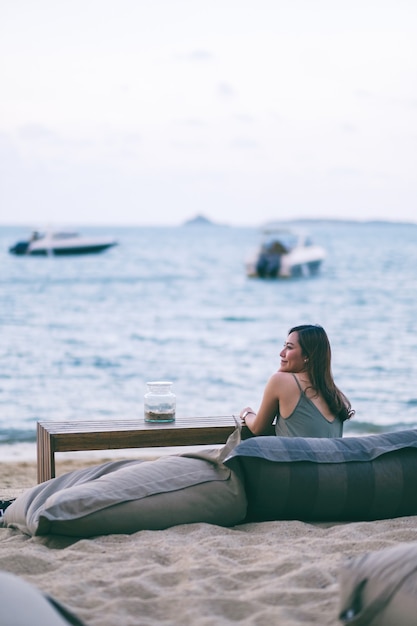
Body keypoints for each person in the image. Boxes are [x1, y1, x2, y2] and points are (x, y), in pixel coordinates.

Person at [240, 324, 354, 438]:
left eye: (289, 347)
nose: (281, 353)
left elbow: (257, 428)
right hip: (331, 456)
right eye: (284, 346)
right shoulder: (334, 394)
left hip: (295, 456)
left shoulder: (280, 381)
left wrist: (247, 413)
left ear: (307, 356)